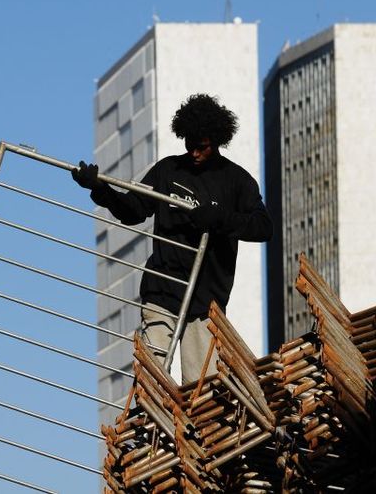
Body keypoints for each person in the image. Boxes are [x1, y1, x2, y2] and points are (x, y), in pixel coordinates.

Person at [72, 93, 272, 383]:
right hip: (162, 289)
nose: (194, 153)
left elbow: (264, 227)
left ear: (216, 141)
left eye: (201, 147)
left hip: (206, 300)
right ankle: (152, 423)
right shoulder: (168, 170)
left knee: (201, 389)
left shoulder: (237, 181)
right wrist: (100, 190)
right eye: (189, 145)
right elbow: (134, 210)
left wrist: (218, 219)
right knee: (152, 378)